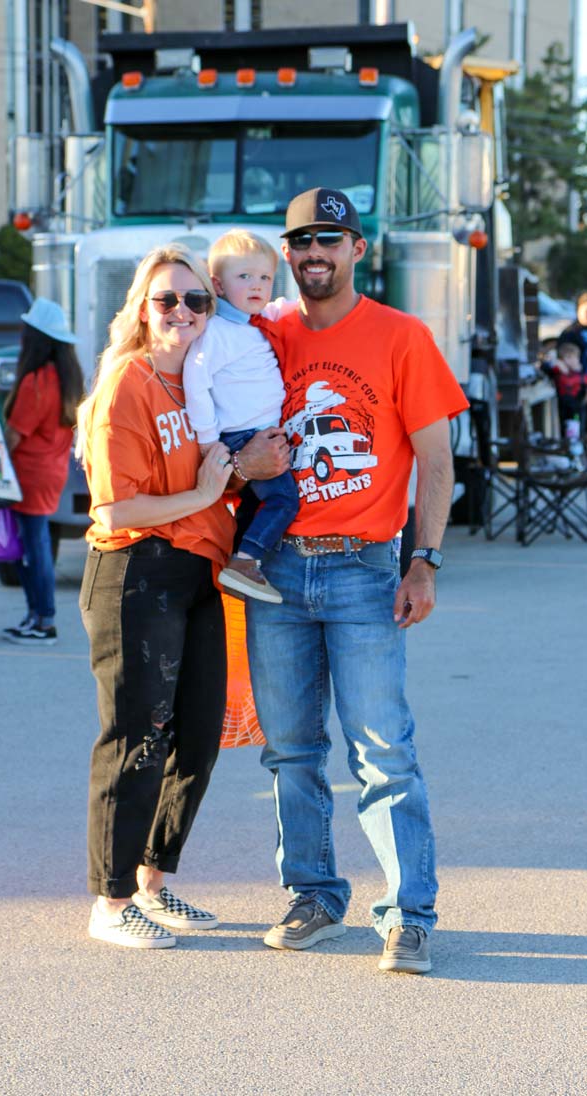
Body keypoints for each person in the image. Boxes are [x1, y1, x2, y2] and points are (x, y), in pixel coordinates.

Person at [238, 187, 470, 974]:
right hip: (275, 570)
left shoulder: (402, 337)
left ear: (358, 249)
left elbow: (436, 462)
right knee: (291, 751)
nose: (313, 256)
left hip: (365, 569)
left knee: (384, 752)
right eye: (300, 241)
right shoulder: (263, 333)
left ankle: (409, 913)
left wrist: (425, 560)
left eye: (329, 241)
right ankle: (312, 893)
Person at [77, 243, 235, 949]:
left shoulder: (199, 383)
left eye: (195, 299)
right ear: (142, 307)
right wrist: (204, 492)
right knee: (136, 737)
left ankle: (152, 883)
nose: (181, 311)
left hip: (199, 570)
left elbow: (213, 477)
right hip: (136, 570)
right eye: (166, 298)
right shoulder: (130, 381)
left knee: (199, 735)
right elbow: (114, 510)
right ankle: (110, 904)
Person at [183, 229, 299, 603]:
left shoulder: (253, 320)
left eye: (264, 277)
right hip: (240, 435)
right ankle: (248, 561)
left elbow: (281, 307)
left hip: (255, 432)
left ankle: (236, 561)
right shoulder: (218, 331)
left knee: (254, 502)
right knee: (284, 501)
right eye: (245, 277)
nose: (257, 285)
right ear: (217, 284)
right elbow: (196, 382)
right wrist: (207, 440)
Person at [2, 298, 84, 646]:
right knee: (36, 547)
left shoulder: (37, 380)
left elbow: (14, 433)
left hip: (28, 475)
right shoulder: (68, 377)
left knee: (31, 549)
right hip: (53, 472)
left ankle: (43, 620)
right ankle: (36, 616)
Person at [540, 338, 587, 432]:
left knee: (577, 427)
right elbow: (545, 366)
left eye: (575, 357)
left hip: (577, 409)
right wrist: (559, 364)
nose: (572, 360)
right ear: (562, 359)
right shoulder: (559, 371)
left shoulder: (582, 374)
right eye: (568, 357)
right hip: (563, 408)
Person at [556, 292, 587, 369]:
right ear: (578, 309)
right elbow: (560, 358)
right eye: (585, 311)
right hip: (576, 377)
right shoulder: (569, 333)